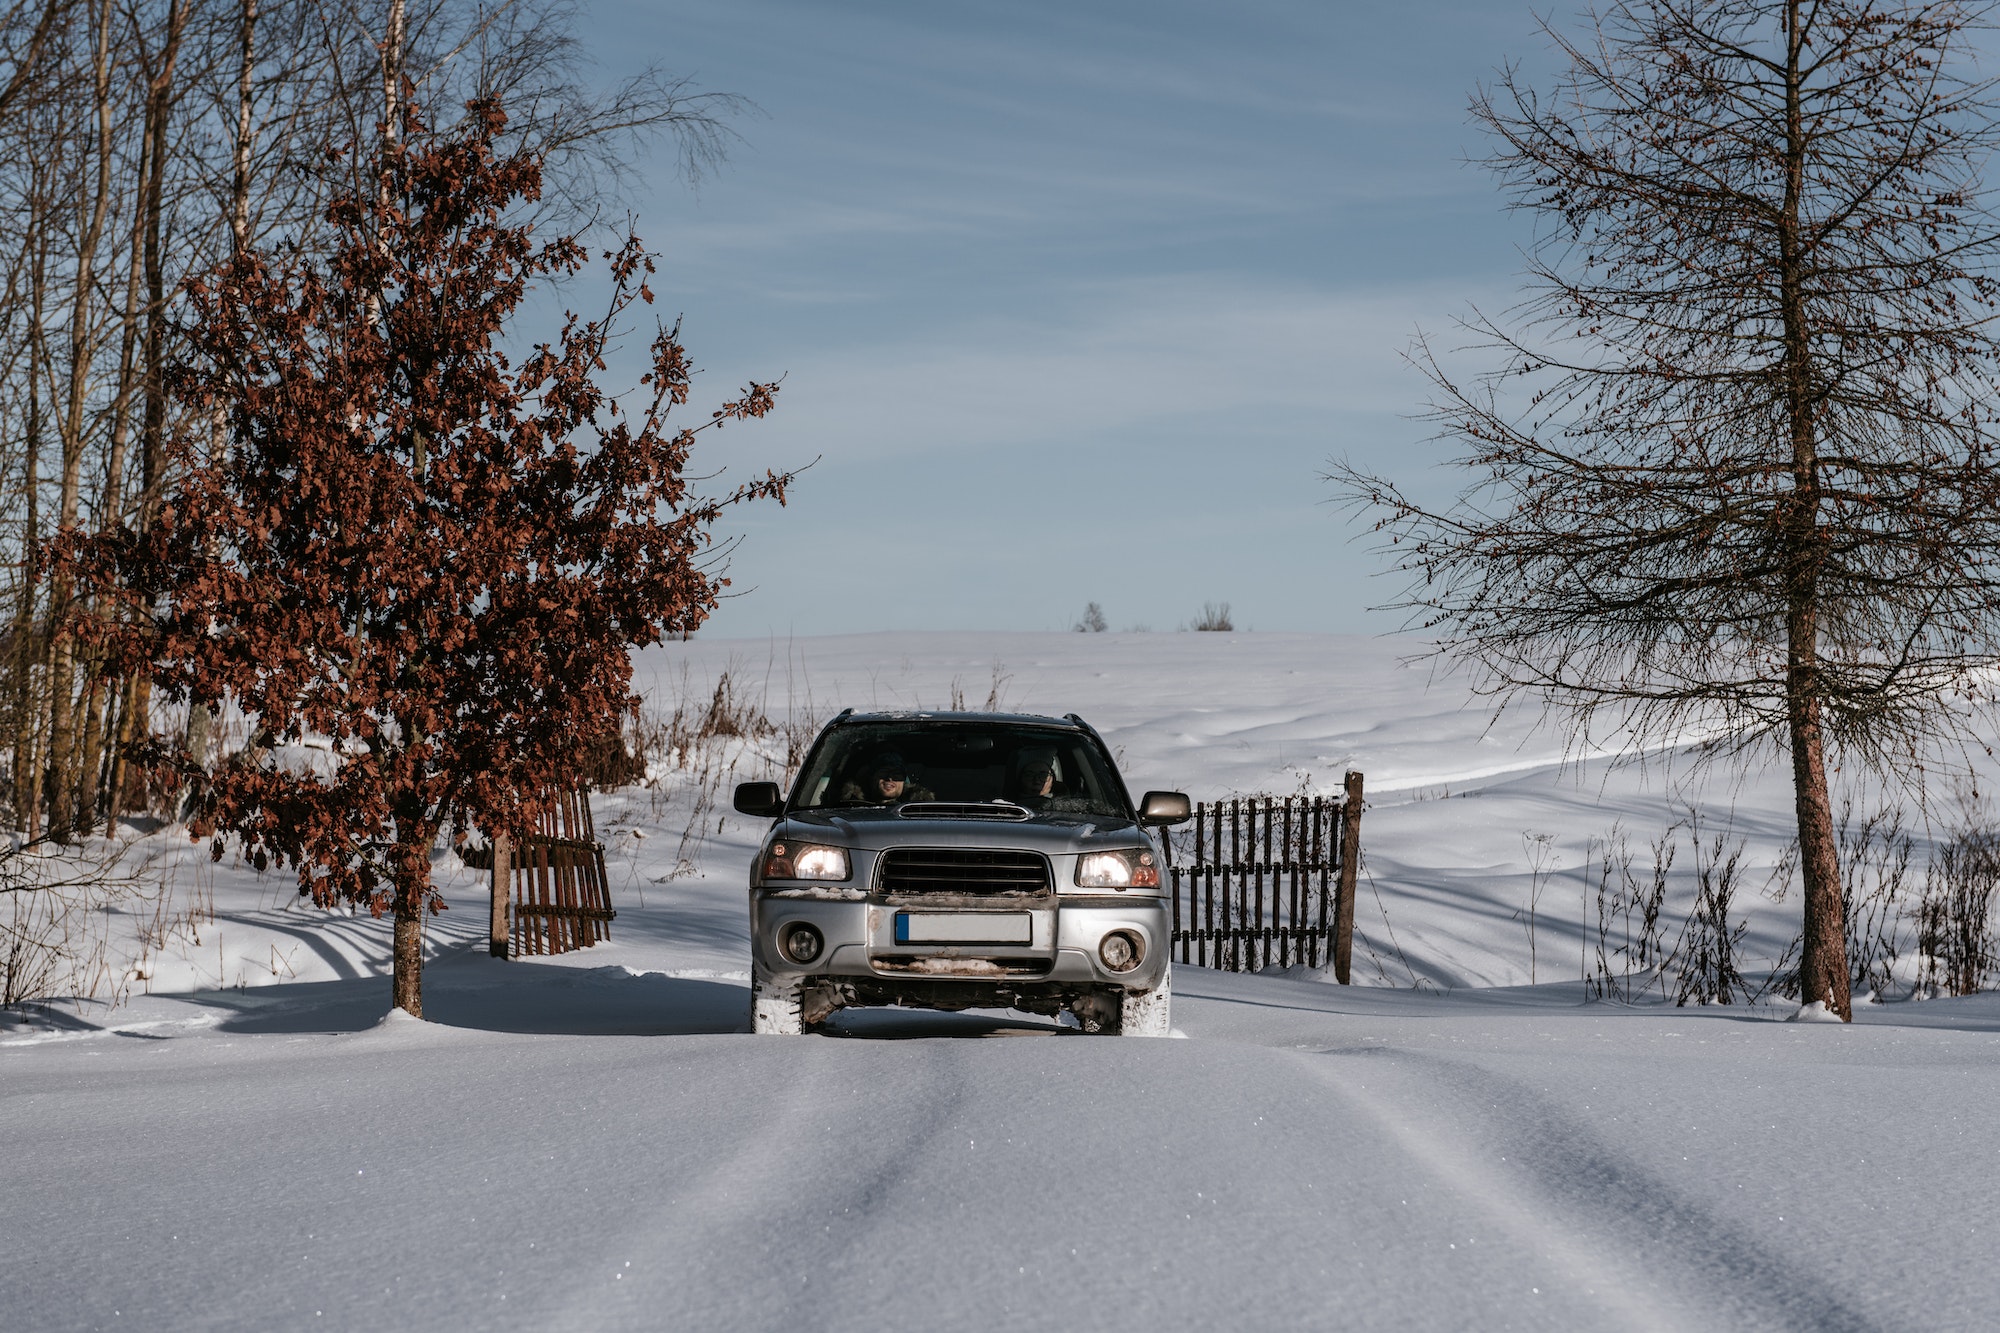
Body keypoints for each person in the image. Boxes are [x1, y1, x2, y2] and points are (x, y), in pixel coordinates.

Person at [837, 753, 933, 805]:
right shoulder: (846, 808)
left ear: (904, 782)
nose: (890, 778)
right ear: (872, 777)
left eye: (897, 775)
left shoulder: (920, 813)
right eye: (884, 772)